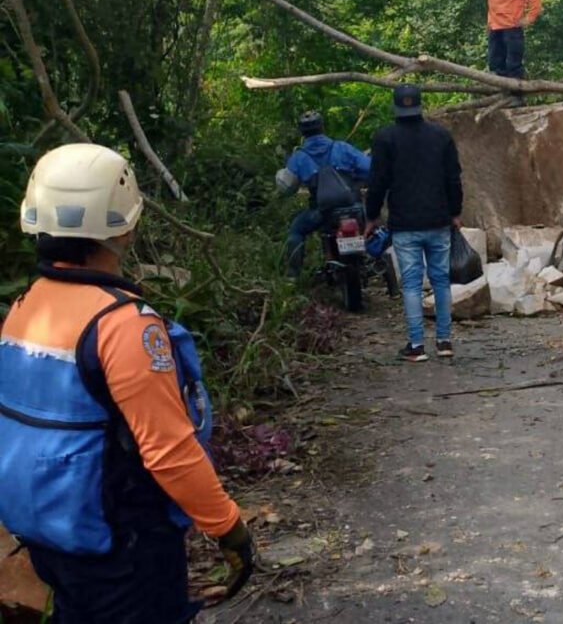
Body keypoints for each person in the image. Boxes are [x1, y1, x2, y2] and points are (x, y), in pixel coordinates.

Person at [0, 144, 254, 623]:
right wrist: (228, 528)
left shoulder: (24, 307)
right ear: (126, 227)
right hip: (121, 543)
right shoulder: (123, 325)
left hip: (50, 532)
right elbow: (169, 450)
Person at [366, 86, 464, 362]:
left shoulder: (385, 138)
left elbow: (377, 183)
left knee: (411, 284)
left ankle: (417, 345)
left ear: (396, 108)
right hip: (438, 220)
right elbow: (453, 178)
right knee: (441, 280)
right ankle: (444, 341)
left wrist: (371, 216)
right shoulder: (441, 136)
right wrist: (455, 212)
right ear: (420, 106)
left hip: (404, 223)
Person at [276, 110, 371, 278]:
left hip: (322, 212)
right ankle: (375, 260)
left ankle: (292, 277)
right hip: (353, 207)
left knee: (296, 230)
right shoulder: (342, 148)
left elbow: (287, 187)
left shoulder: (299, 157)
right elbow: (369, 169)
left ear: (302, 132)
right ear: (322, 127)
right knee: (374, 226)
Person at [485, 0, 542, 106]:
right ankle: (501, 97)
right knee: (496, 64)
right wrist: (489, 23)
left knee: (513, 65)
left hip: (512, 28)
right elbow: (492, 1)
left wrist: (529, 18)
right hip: (495, 28)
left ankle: (516, 98)